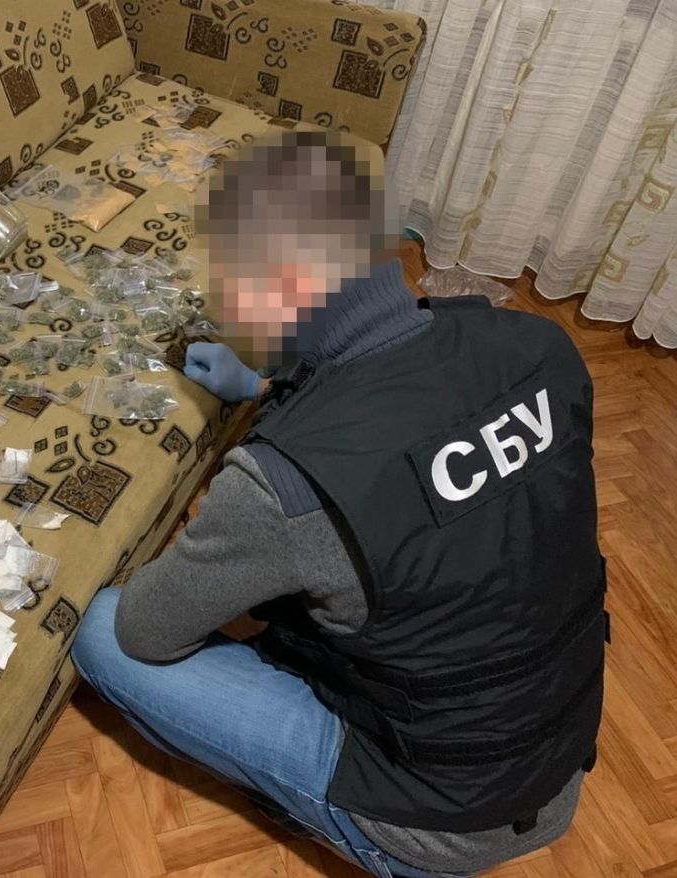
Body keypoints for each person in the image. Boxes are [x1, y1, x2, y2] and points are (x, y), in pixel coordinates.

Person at [70, 130, 607, 878]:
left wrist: (265, 464)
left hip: (439, 819)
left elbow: (147, 629)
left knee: (103, 632)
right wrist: (269, 385)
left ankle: (331, 816)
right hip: (555, 751)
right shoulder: (535, 346)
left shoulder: (280, 482)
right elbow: (407, 421)